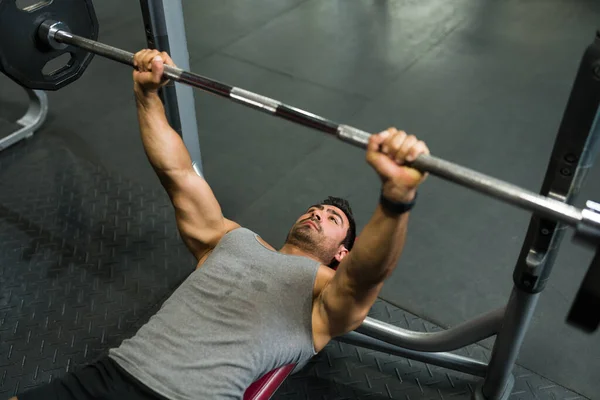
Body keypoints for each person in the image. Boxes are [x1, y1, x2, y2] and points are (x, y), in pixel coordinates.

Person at [12, 50, 430, 400]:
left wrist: (396, 199)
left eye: (332, 218)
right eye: (316, 209)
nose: (318, 213)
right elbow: (178, 173)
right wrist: (146, 96)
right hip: (110, 374)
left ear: (343, 252)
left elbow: (363, 280)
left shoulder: (324, 294)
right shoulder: (230, 239)